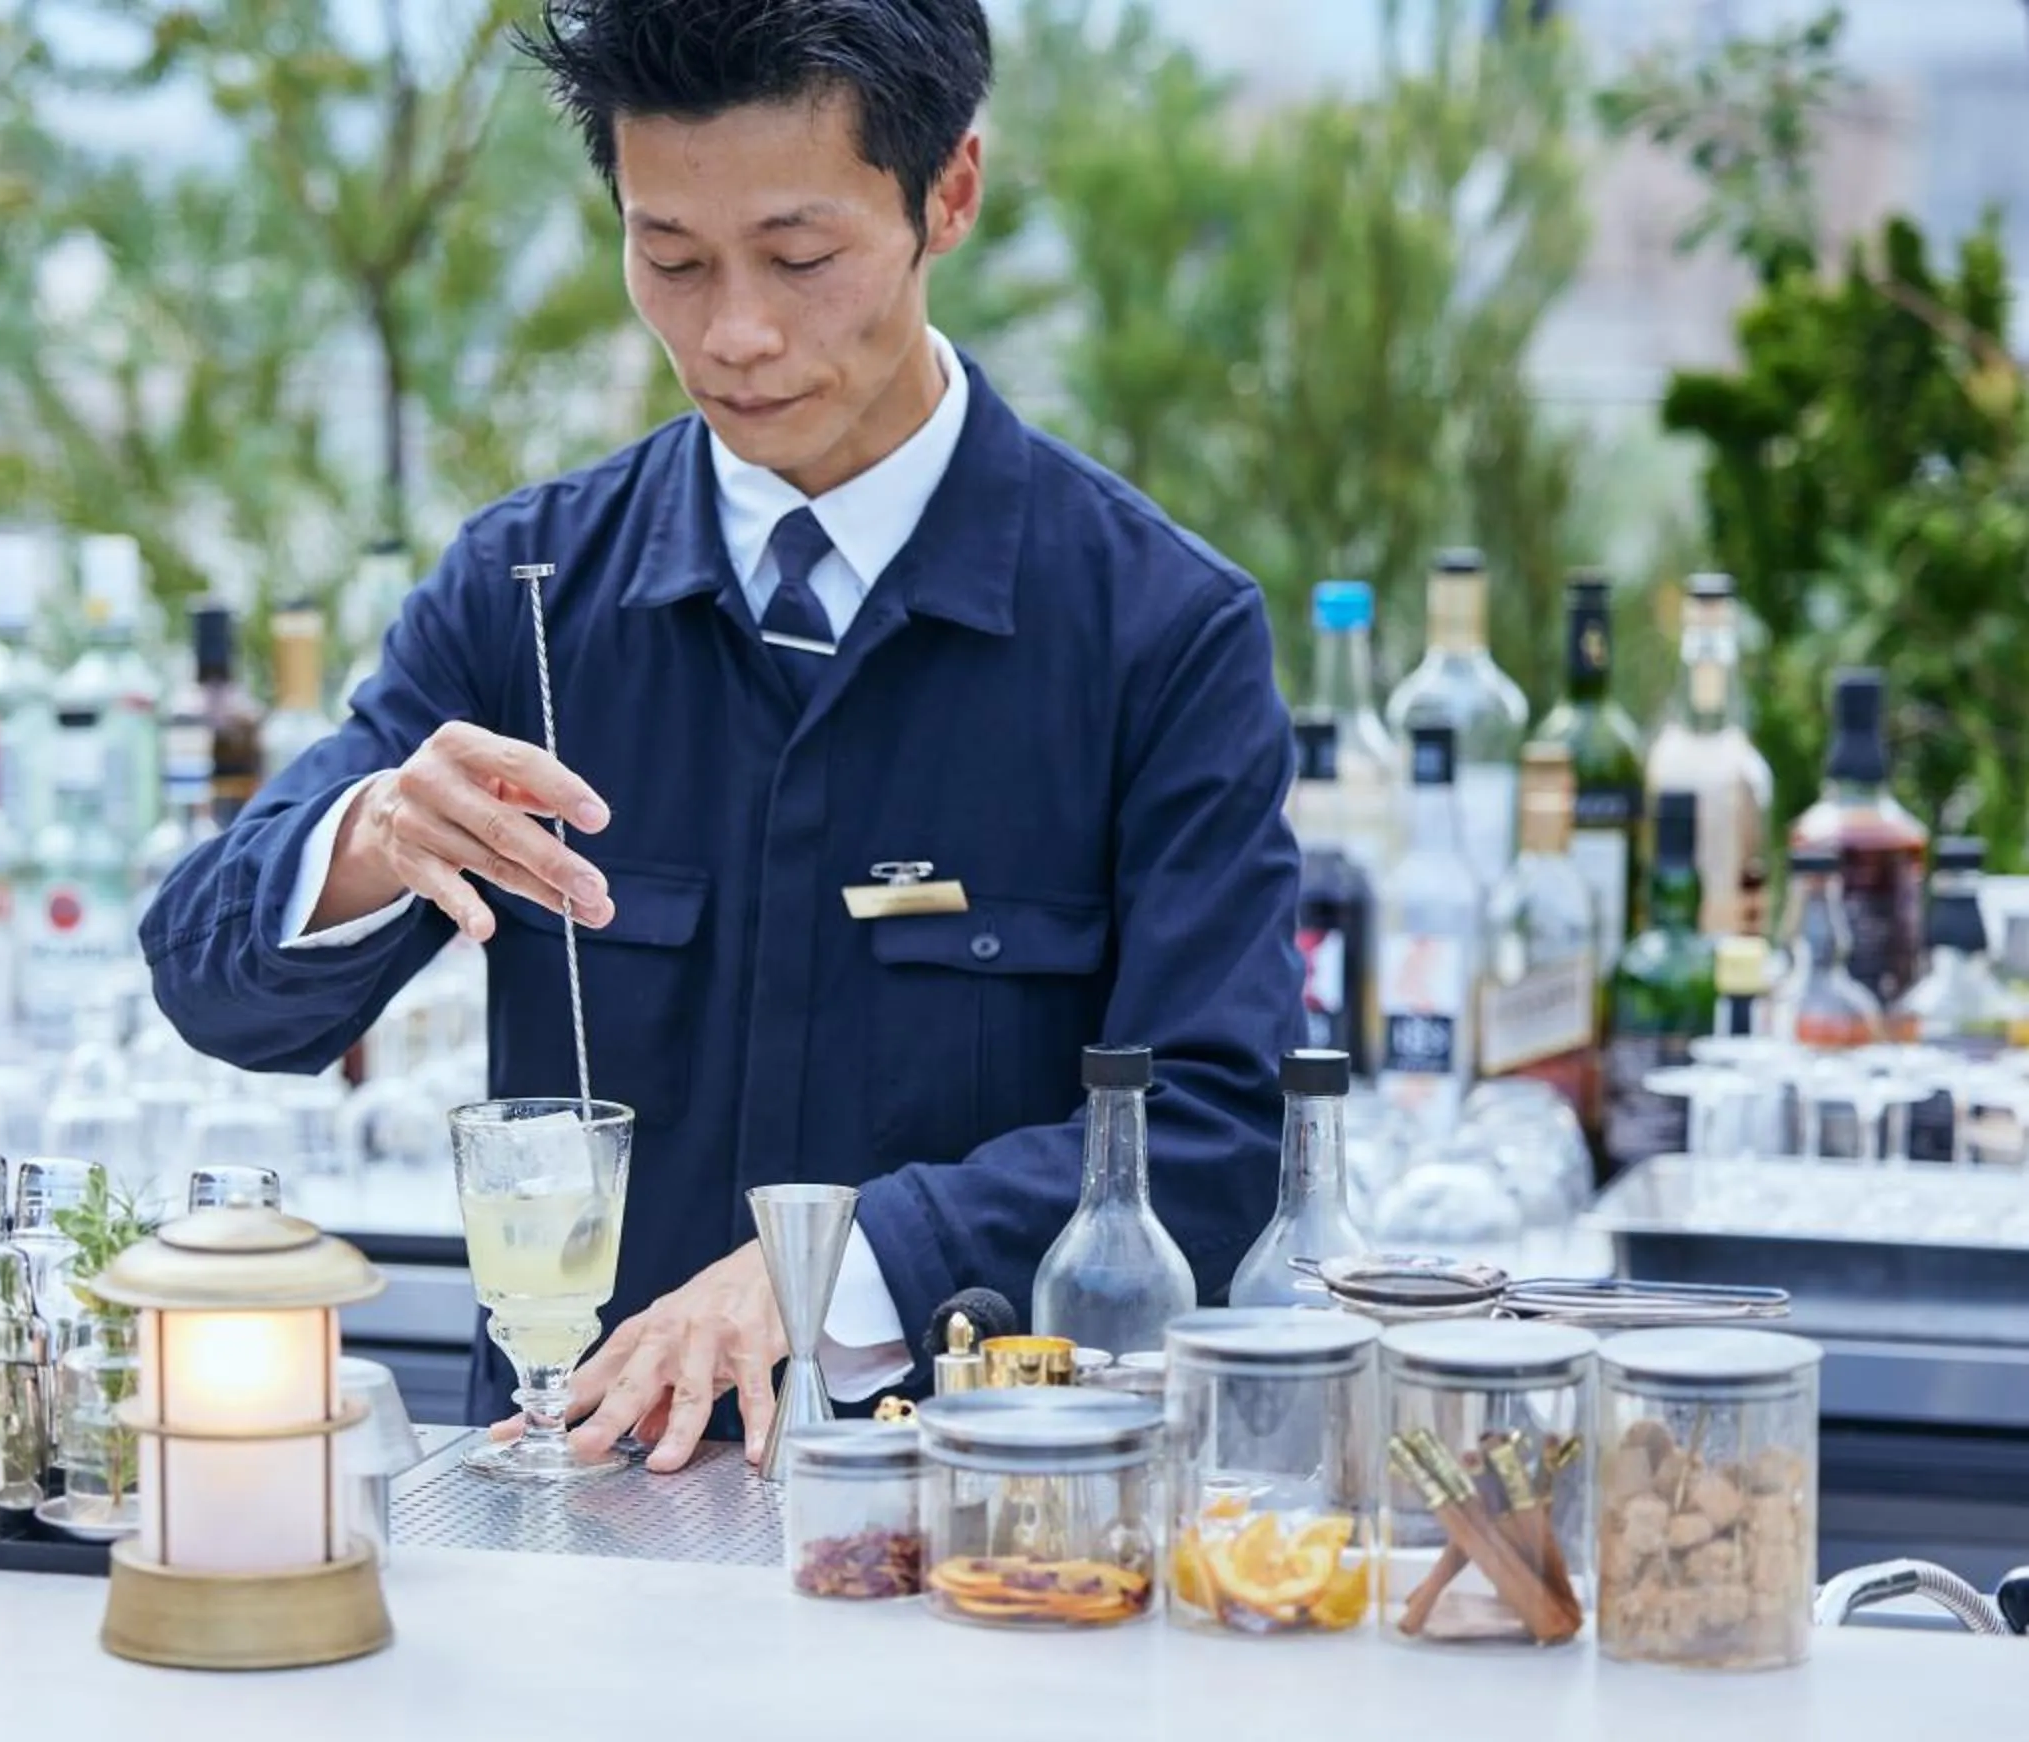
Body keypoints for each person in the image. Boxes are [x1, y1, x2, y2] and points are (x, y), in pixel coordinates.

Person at [141, 0, 1297, 1472]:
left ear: (949, 193)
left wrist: (836, 1272)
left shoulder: (1158, 630)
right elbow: (214, 988)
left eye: (800, 259)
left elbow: (1222, 1132)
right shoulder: (527, 597)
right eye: (672, 260)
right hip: (577, 1497)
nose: (734, 334)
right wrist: (367, 836)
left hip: (994, 1521)